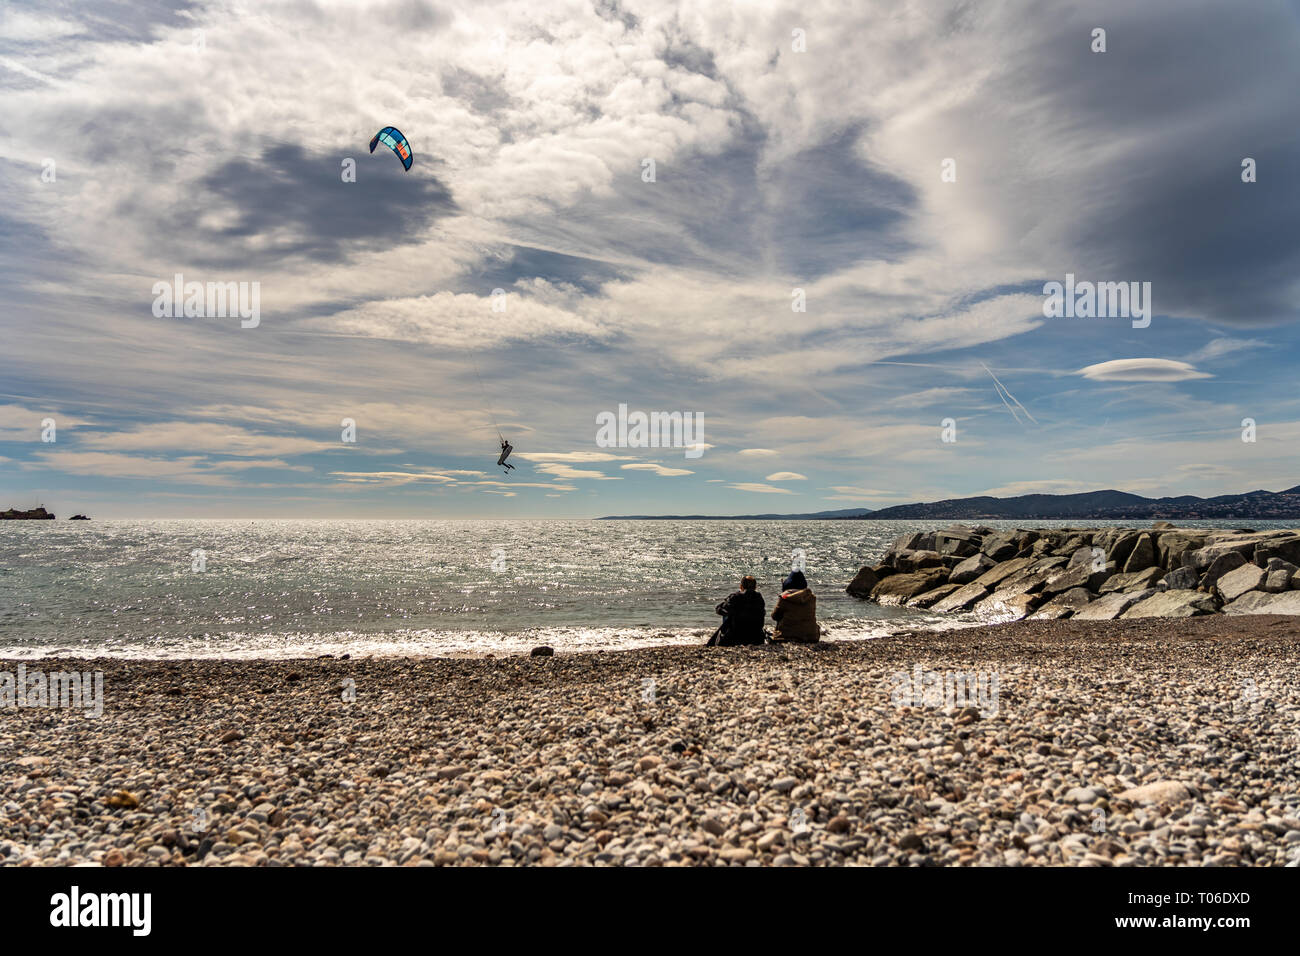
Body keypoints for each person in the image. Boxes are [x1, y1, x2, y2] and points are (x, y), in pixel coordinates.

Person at [706, 575, 766, 646]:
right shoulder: (759, 598)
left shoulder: (736, 597)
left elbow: (719, 609)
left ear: (741, 586)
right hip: (756, 635)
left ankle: (723, 635)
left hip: (737, 635)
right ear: (755, 587)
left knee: (726, 612)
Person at [771, 569, 821, 643]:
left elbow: (775, 616)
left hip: (787, 636)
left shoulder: (785, 598)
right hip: (811, 637)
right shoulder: (811, 597)